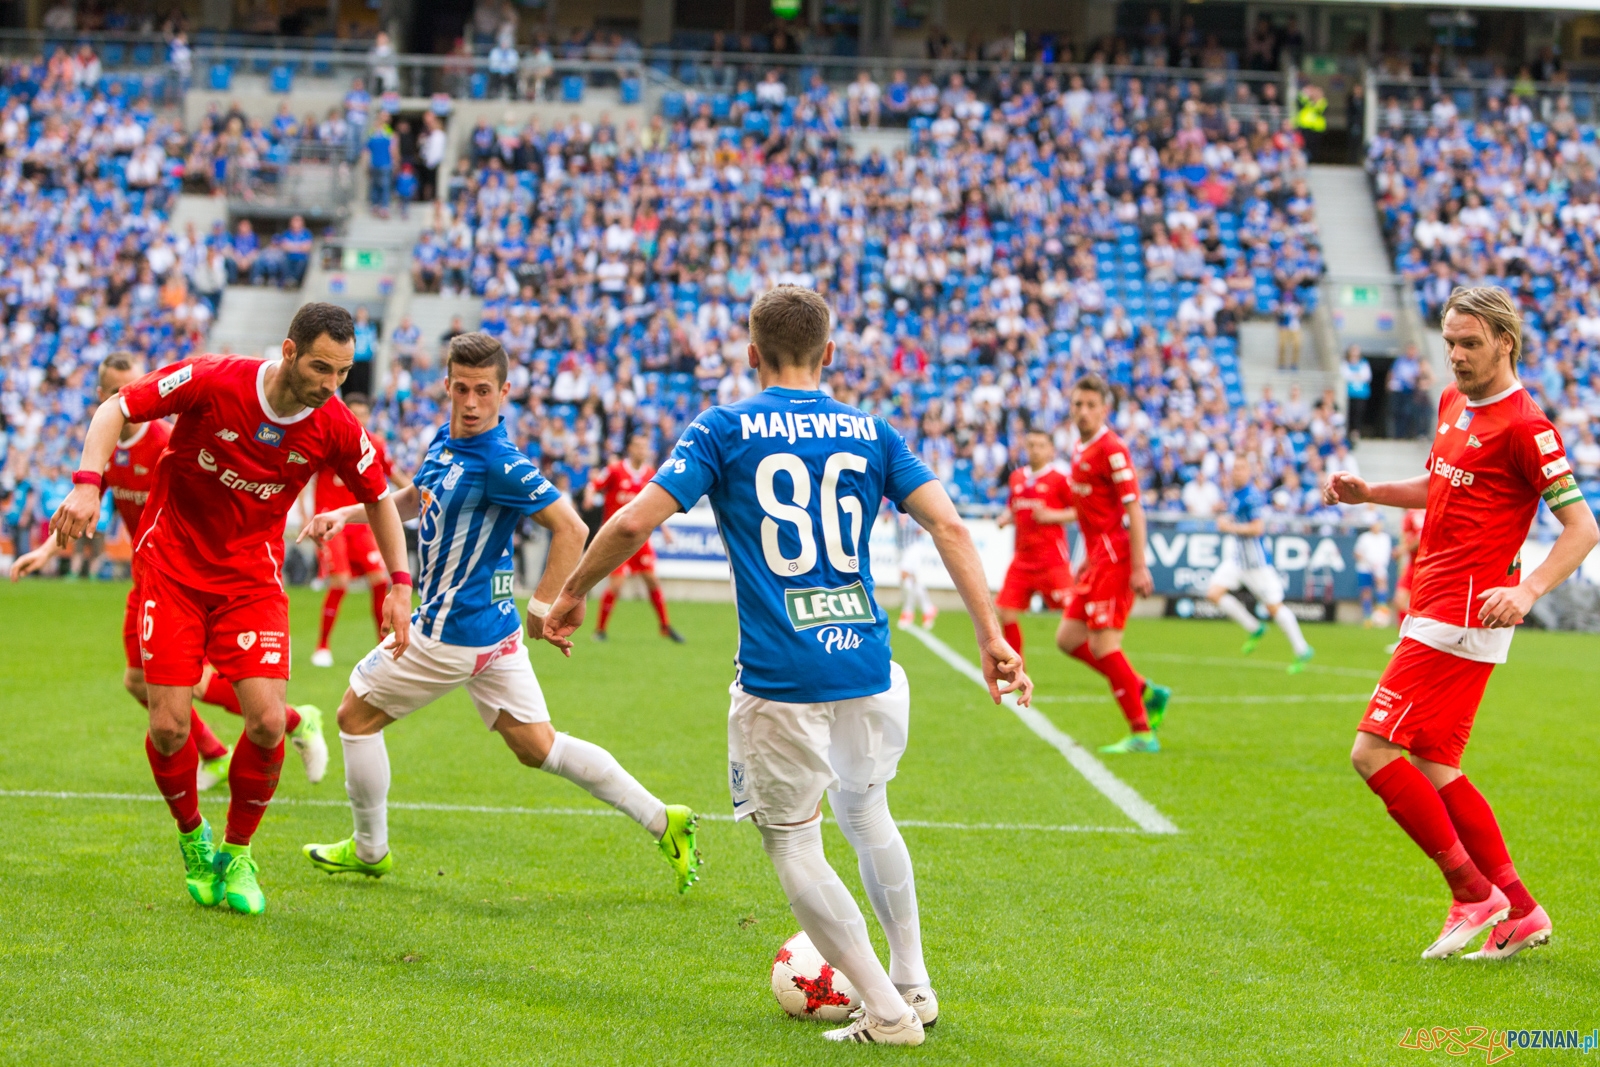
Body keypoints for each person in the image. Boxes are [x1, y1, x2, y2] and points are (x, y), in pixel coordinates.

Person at [546, 286, 1032, 1045]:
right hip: (868, 663)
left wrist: (572, 590)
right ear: (830, 353)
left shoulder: (724, 428)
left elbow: (637, 518)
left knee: (794, 841)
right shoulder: (872, 429)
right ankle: (913, 982)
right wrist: (992, 635)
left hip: (781, 676)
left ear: (751, 353)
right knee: (868, 810)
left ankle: (891, 1013)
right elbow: (947, 522)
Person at [297, 333, 701, 893]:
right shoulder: (446, 440)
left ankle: (370, 850)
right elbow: (417, 497)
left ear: (503, 392)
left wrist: (545, 602)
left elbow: (572, 527)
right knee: (539, 747)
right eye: (460, 388)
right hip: (493, 632)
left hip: (451, 631)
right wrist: (347, 512)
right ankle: (664, 820)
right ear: (446, 385)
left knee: (352, 718)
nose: (469, 402)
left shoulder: (499, 461)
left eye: (483, 391)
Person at [48, 303, 414, 916]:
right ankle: (195, 839)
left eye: (344, 373)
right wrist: (88, 481)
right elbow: (117, 407)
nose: (331, 385)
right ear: (290, 351)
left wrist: (400, 584)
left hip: (251, 580)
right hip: (171, 570)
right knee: (166, 724)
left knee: (270, 722)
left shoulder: (337, 426)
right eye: (322, 367)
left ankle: (238, 853)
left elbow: (379, 498)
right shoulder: (214, 379)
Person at [1324, 286, 1598, 960]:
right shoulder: (1453, 404)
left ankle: (1474, 892)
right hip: (1434, 601)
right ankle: (1522, 909)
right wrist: (1372, 493)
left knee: (1373, 750)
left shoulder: (1528, 427)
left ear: (1505, 341)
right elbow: (1439, 485)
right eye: (1449, 341)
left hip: (1464, 613)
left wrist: (1528, 587)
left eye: (1470, 343)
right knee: (1436, 760)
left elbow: (1582, 527)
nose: (1456, 355)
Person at [9, 353, 294, 791]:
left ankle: (291, 722)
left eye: (137, 383)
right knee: (137, 681)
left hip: (187, 575)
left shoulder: (165, 439)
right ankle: (217, 752)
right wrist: (46, 551)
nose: (134, 393)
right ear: (105, 396)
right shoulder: (105, 447)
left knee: (191, 684)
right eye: (121, 388)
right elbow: (86, 501)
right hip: (147, 575)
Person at [1054, 375, 1170, 754]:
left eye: (1091, 405)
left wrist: (1139, 565)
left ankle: (1142, 732)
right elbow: (1094, 514)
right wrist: (1086, 558)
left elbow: (1133, 508)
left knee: (1105, 645)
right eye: (1077, 404)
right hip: (1097, 559)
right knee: (1068, 639)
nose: (1083, 411)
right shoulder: (1078, 448)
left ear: (1105, 409)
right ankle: (1145, 691)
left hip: (1118, 559)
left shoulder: (1112, 449)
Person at [306, 394, 398, 667]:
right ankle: (322, 646)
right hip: (331, 521)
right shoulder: (329, 442)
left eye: (363, 414)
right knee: (341, 580)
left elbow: (394, 475)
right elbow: (304, 476)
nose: (358, 419)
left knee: (380, 579)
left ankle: (382, 646)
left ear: (369, 417)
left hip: (360, 522)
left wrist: (422, 490)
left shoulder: (376, 445)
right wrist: (303, 512)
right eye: (353, 413)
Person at [1205, 460, 1314, 670]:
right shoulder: (1235, 494)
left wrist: (1229, 527)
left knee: (1274, 607)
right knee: (1213, 593)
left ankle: (1302, 649)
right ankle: (1254, 627)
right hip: (1238, 561)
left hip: (1256, 563)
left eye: (1241, 468)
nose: (1236, 472)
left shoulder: (1252, 496)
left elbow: (1257, 528)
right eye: (1234, 468)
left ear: (1249, 472)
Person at [584, 433, 683, 643]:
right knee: (617, 585)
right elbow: (595, 484)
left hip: (640, 537)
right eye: (638, 446)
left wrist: (664, 530)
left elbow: (655, 505)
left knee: (652, 581)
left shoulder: (650, 473)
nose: (642, 451)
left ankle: (665, 626)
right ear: (630, 448)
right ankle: (600, 631)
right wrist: (589, 496)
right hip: (616, 538)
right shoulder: (615, 470)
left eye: (645, 447)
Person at [994, 427, 1074, 663]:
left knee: (1075, 617)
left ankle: (1104, 657)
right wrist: (1006, 517)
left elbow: (1080, 511)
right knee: (1005, 610)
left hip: (1052, 561)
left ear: (1051, 449)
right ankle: (1017, 668)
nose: (1035, 450)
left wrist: (1053, 516)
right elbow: (1014, 505)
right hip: (1022, 559)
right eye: (1031, 445)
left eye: (1041, 445)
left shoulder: (1059, 480)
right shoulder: (1017, 476)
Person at [894, 509, 937, 629]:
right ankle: (928, 609)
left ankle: (908, 612)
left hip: (913, 546)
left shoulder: (914, 507)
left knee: (904, 575)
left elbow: (925, 525)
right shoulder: (894, 506)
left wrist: (922, 528)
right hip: (901, 548)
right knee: (912, 581)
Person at [1353, 512, 1393, 626]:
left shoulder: (1385, 538)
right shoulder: (1364, 537)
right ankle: (1368, 617)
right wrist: (1367, 561)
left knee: (1382, 581)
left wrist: (1378, 565)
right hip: (1364, 568)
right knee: (1366, 591)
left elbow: (1386, 554)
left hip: (1379, 567)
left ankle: (1382, 606)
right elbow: (1357, 553)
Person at [1341, 345, 1372, 438]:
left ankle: (1356, 431)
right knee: (1349, 413)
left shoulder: (1364, 363)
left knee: (1358, 413)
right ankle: (1348, 431)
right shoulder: (1345, 363)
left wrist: (1353, 376)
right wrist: (1357, 376)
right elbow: (1345, 376)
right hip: (1349, 393)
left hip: (1361, 394)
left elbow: (1367, 376)